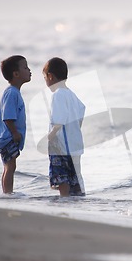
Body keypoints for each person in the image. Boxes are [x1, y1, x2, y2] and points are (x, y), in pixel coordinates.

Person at [43, 57, 86, 197]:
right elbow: (81, 111)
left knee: (62, 176)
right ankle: (78, 198)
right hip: (75, 144)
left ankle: (64, 200)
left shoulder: (58, 95)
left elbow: (58, 121)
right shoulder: (72, 95)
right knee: (76, 175)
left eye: (45, 78)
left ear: (50, 76)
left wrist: (50, 136)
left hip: (62, 145)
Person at [0, 55, 31, 194]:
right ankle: (8, 193)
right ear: (16, 74)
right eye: (25, 67)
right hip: (8, 137)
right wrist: (15, 132)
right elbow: (7, 117)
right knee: (10, 166)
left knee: (9, 166)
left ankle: (7, 192)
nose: (29, 70)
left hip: (8, 137)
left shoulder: (14, 92)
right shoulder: (12, 93)